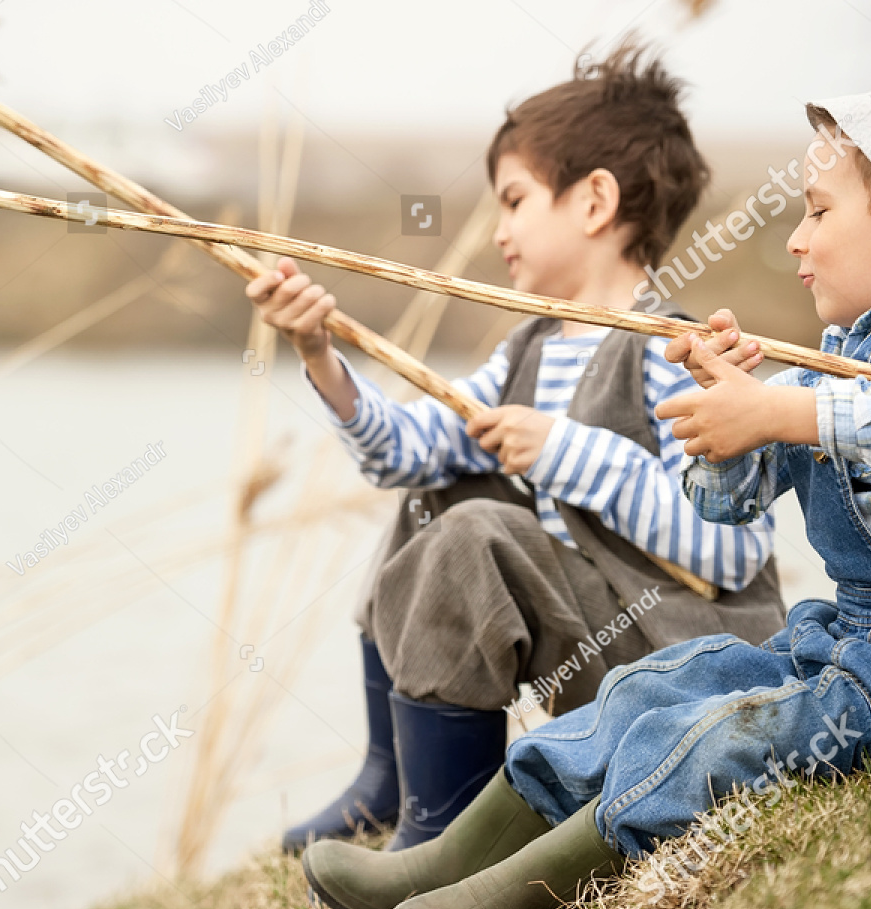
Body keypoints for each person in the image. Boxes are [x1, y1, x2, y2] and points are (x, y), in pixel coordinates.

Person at [302, 58, 871, 909]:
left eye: (819, 212)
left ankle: (519, 900)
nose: (794, 240)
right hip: (852, 639)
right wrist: (728, 425)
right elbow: (727, 501)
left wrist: (788, 414)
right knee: (656, 685)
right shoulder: (836, 361)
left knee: (726, 738)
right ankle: (452, 852)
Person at [249, 39, 786, 854]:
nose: (498, 231)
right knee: (441, 498)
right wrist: (322, 353)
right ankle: (397, 779)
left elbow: (728, 550)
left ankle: (447, 841)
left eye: (514, 200)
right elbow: (410, 451)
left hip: (679, 666)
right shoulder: (529, 350)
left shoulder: (675, 353)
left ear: (595, 201)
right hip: (588, 635)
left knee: (475, 534)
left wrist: (567, 451)